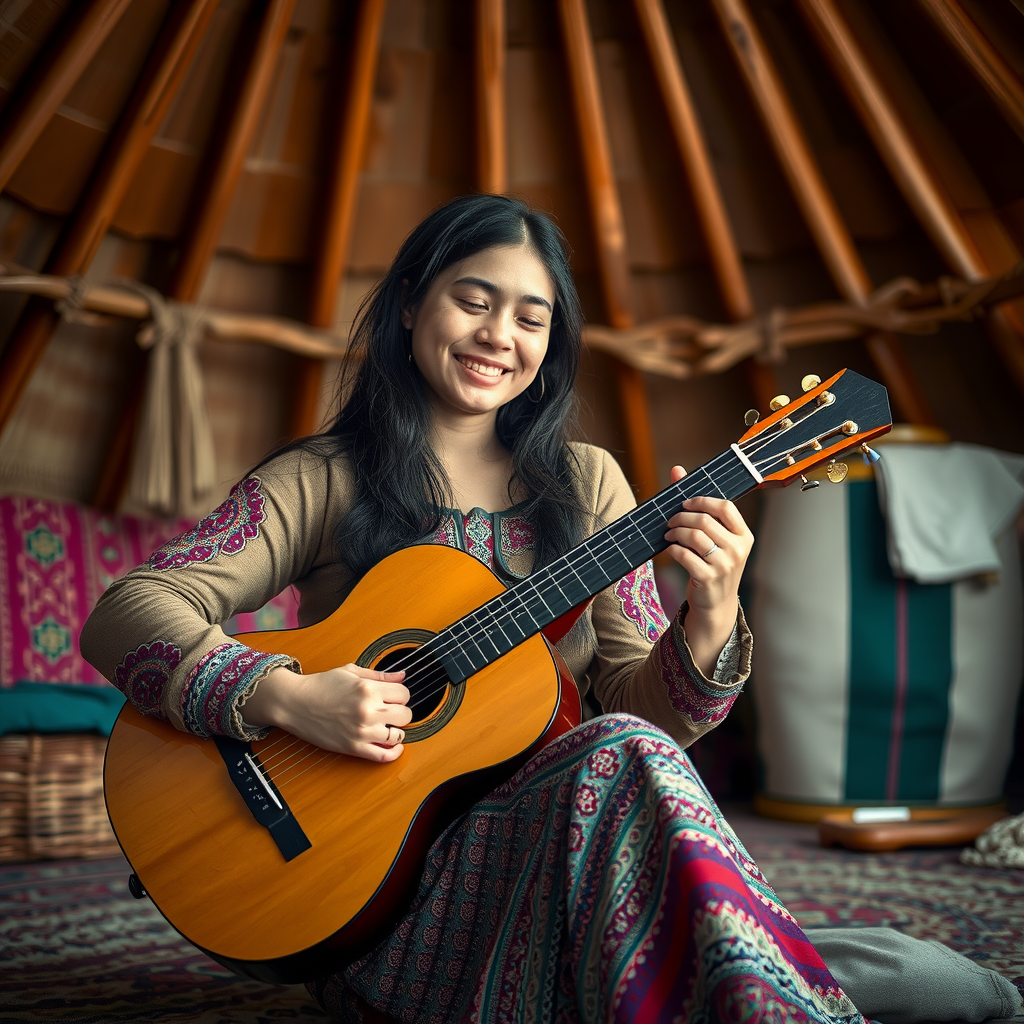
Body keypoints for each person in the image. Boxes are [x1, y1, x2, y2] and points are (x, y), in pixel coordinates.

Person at [82, 194, 865, 1024]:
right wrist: (290, 697)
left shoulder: (590, 484)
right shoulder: (324, 478)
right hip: (367, 900)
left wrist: (710, 612)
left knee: (620, 745)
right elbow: (129, 611)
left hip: (554, 860)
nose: (501, 336)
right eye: (475, 301)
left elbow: (644, 722)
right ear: (413, 302)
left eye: (533, 319)